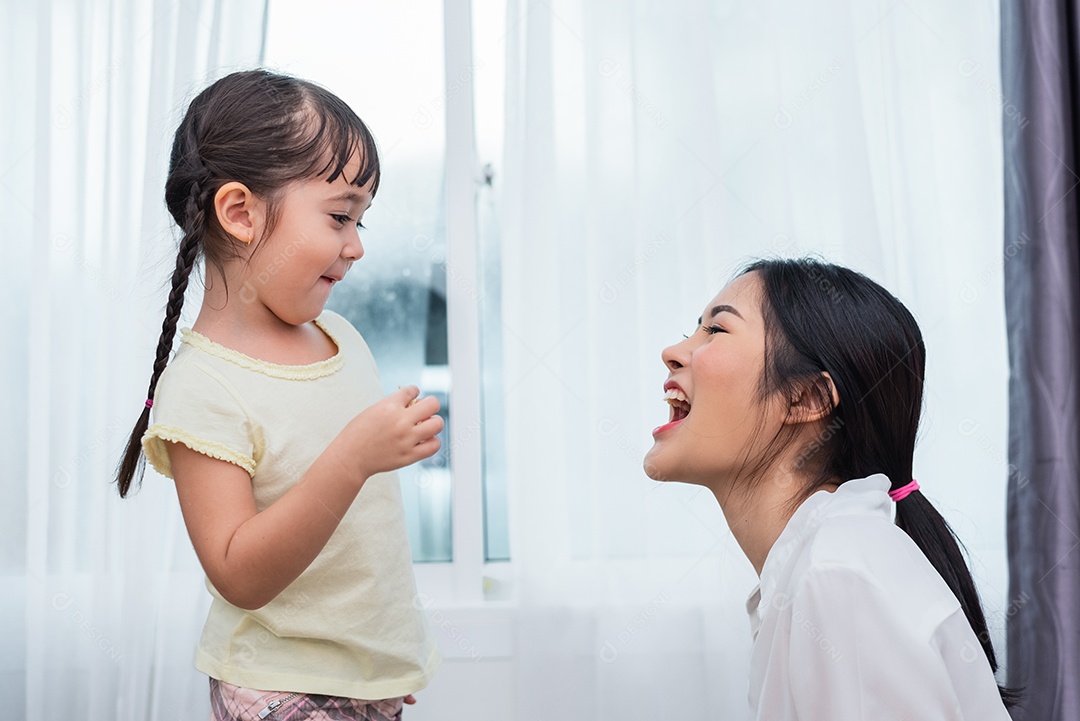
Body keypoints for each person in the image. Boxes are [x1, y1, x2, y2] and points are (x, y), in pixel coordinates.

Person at [114, 70, 442, 721]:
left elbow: (356, 544)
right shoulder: (202, 389)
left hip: (360, 682)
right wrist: (353, 457)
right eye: (341, 215)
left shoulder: (341, 337)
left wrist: (372, 655)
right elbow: (239, 570)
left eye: (362, 221)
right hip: (278, 689)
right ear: (240, 213)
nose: (356, 246)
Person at [644, 258, 1017, 719]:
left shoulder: (838, 572)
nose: (673, 350)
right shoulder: (827, 563)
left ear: (807, 399)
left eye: (716, 331)